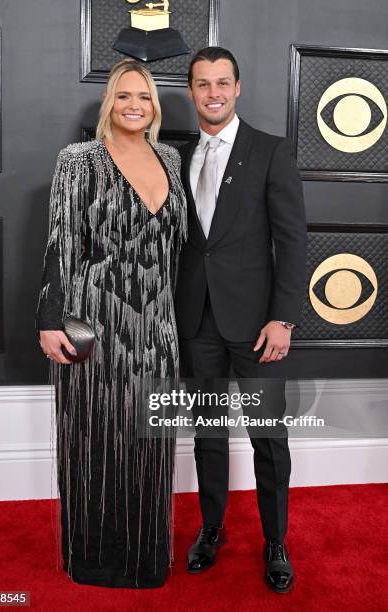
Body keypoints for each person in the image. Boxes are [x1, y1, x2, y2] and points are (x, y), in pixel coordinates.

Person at [35, 58, 187, 588]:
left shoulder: (170, 157)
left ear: (154, 105)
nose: (134, 106)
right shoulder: (79, 161)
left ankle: (146, 559)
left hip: (158, 328)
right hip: (95, 322)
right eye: (124, 96)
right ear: (109, 103)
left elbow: (179, 249)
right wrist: (50, 319)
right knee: (96, 435)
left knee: (149, 443)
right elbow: (61, 241)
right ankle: (95, 559)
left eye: (143, 97)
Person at [175, 47, 307, 593]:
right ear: (191, 91)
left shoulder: (271, 152)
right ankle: (212, 529)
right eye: (203, 84)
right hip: (196, 320)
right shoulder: (173, 156)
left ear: (238, 87)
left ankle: (275, 541)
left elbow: (292, 241)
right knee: (207, 433)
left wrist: (284, 319)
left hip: (257, 325)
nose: (213, 93)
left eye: (222, 83)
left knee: (268, 437)